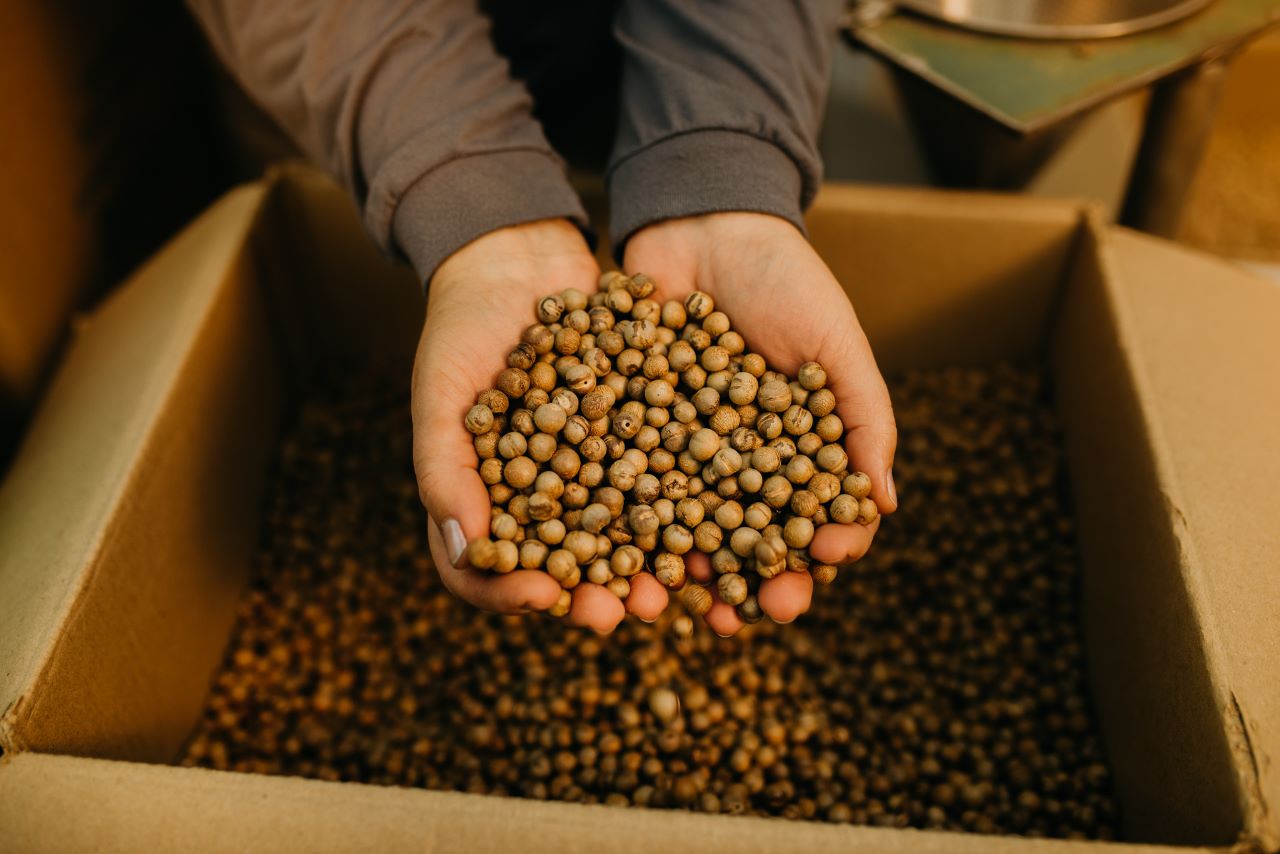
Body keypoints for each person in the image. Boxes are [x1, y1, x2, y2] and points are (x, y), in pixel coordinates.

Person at [186, 0, 897, 635]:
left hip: (656, 77)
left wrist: (717, 155)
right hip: (357, 79)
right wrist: (463, 190)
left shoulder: (647, 416)